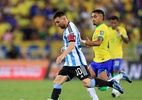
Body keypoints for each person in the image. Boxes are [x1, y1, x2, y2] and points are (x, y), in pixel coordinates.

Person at [47, 11, 124, 100]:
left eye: (58, 22)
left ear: (64, 19)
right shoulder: (68, 28)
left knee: (88, 83)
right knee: (57, 81)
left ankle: (111, 83)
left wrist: (62, 56)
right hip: (69, 64)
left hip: (78, 63)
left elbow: (72, 44)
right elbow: (74, 42)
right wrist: (64, 48)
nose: (56, 25)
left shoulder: (70, 29)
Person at [81, 9, 132, 99]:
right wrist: (90, 43)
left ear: (101, 17)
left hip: (104, 61)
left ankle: (120, 76)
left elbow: (99, 42)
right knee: (87, 81)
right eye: (92, 17)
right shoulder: (98, 29)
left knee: (102, 87)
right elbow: (99, 44)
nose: (93, 19)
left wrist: (89, 43)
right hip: (96, 60)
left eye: (95, 17)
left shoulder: (103, 28)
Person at [108, 15, 130, 97]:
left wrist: (120, 33)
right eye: (112, 23)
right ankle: (118, 89)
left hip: (118, 56)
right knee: (112, 74)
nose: (113, 24)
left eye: (115, 23)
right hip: (109, 56)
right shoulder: (107, 30)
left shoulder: (122, 30)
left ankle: (114, 92)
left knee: (115, 71)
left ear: (117, 23)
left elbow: (127, 41)